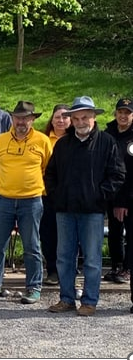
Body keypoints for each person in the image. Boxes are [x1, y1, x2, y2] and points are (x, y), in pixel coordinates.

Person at [45, 96, 125, 316]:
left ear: (94, 117)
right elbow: (50, 173)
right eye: (77, 118)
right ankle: (66, 299)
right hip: (65, 210)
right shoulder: (63, 144)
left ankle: (89, 301)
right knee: (64, 257)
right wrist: (56, 195)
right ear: (72, 120)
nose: (81, 122)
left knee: (91, 258)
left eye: (85, 117)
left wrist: (99, 196)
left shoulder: (107, 142)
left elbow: (117, 175)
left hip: (92, 211)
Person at [0, 101, 52, 304]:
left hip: (32, 200)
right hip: (4, 199)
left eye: (25, 118)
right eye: (18, 117)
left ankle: (34, 287)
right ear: (12, 118)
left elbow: (47, 167)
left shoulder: (43, 140)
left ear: (32, 119)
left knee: (32, 246)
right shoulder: (0, 140)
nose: (21, 121)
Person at [39, 104, 71, 286]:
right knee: (48, 234)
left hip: (68, 195)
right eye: (57, 117)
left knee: (67, 234)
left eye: (65, 117)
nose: (61, 120)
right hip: (46, 193)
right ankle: (52, 270)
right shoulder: (43, 139)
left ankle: (68, 270)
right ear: (52, 120)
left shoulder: (76, 139)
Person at [103, 98, 133, 286]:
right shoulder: (107, 134)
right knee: (114, 232)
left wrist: (124, 201)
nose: (123, 116)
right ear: (115, 113)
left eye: (127, 113)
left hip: (130, 196)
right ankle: (116, 265)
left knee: (130, 234)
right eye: (120, 112)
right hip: (110, 194)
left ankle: (128, 268)